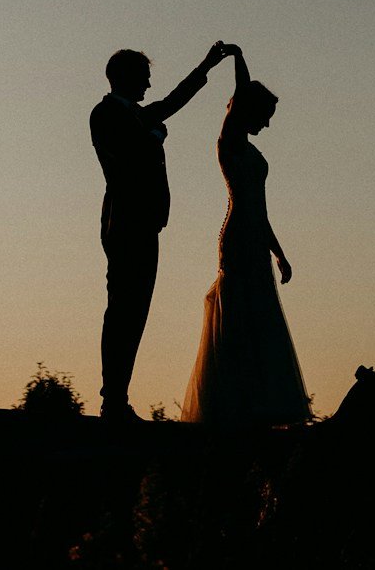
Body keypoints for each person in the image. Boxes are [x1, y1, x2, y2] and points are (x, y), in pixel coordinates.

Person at [91, 41, 230, 420]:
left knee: (135, 312)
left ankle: (117, 397)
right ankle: (113, 400)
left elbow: (173, 101)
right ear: (126, 77)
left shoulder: (140, 115)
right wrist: (154, 137)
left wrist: (206, 65)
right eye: (144, 78)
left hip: (145, 224)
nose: (149, 86)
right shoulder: (105, 114)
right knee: (123, 310)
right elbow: (128, 157)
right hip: (124, 224)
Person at [181, 43, 308, 426]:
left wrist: (280, 253)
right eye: (265, 116)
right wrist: (237, 58)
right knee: (240, 316)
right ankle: (233, 401)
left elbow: (262, 210)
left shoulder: (251, 150)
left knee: (261, 318)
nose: (267, 124)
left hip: (255, 238)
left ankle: (258, 399)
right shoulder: (230, 142)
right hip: (236, 239)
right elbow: (241, 94)